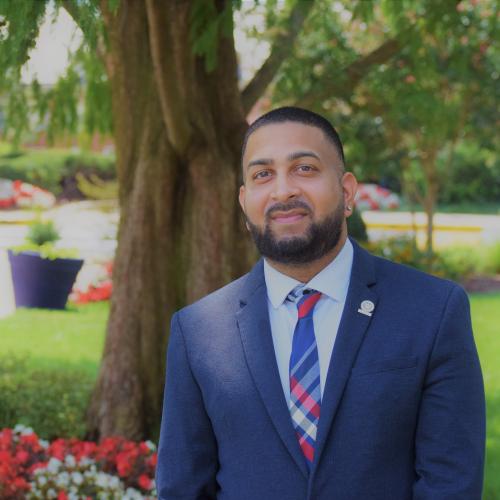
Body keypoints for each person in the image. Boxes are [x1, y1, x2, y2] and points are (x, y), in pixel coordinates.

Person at [156, 107, 485, 500]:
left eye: (305, 168)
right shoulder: (198, 331)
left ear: (347, 192)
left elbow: (451, 485)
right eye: (263, 174)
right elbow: (182, 487)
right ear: (245, 203)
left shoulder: (433, 310)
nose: (283, 191)